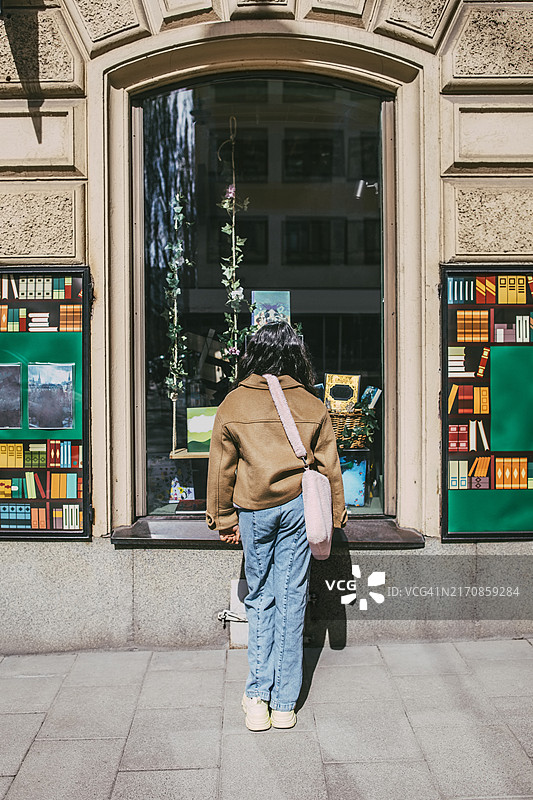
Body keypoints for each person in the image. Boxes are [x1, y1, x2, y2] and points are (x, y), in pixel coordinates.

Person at [206, 322, 347, 731]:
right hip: (300, 509)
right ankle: (285, 704)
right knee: (292, 597)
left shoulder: (234, 402)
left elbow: (221, 469)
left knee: (260, 597)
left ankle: (257, 699)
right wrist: (335, 515)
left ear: (254, 353)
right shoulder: (311, 403)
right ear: (296, 355)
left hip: (254, 511)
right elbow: (329, 467)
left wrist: (223, 519)